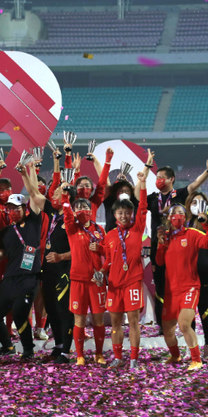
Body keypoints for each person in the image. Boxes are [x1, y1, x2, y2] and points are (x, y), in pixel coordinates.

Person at [139, 153, 208, 332]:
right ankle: (163, 324)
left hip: (178, 246)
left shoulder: (179, 194)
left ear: (171, 179)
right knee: (160, 287)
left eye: (161, 177)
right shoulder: (153, 198)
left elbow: (195, 184)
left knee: (178, 284)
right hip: (159, 246)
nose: (158, 180)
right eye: (157, 177)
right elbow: (137, 198)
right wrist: (145, 171)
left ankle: (184, 322)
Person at [0, 162, 46, 360]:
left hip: (29, 278)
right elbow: (0, 254)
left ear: (25, 208)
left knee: (19, 314)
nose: (13, 211)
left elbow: (34, 195)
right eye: (10, 208)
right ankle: (7, 346)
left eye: (17, 208)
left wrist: (28, 173)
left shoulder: (33, 222)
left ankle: (28, 351)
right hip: (9, 279)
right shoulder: (6, 232)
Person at [156, 204, 208, 371]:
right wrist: (161, 244)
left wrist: (206, 225)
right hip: (171, 292)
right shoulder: (166, 237)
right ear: (169, 217)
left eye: (181, 213)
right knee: (167, 331)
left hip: (190, 288)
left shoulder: (192, 234)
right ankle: (175, 356)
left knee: (184, 324)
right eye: (174, 213)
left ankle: (196, 360)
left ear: (186, 217)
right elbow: (160, 262)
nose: (177, 216)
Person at [101, 171, 148, 369]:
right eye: (120, 213)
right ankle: (118, 357)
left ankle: (134, 359)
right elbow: (108, 261)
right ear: (114, 215)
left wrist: (142, 184)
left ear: (131, 213)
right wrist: (101, 272)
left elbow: (143, 207)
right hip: (114, 284)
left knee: (134, 321)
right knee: (115, 323)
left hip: (132, 282)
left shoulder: (137, 228)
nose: (124, 215)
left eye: (127, 212)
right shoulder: (109, 235)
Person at [61, 187, 107, 366]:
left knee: (98, 319)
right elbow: (67, 213)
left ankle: (99, 354)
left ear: (91, 210)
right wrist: (65, 197)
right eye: (78, 207)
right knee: (79, 320)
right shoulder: (72, 228)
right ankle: (80, 355)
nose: (82, 210)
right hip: (78, 280)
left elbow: (108, 253)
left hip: (97, 281)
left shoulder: (99, 230)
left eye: (85, 207)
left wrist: (100, 248)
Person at [40, 155, 75, 364]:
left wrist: (61, 256)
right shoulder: (52, 215)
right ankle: (59, 346)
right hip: (49, 270)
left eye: (58, 193)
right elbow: (35, 193)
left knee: (64, 310)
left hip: (66, 270)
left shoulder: (73, 219)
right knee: (51, 309)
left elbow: (80, 249)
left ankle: (67, 351)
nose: (53, 195)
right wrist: (28, 171)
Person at [184, 178, 208, 358]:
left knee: (204, 308)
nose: (197, 206)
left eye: (201, 203)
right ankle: (192, 348)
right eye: (194, 202)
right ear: (188, 204)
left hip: (204, 272)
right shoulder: (183, 223)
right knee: (188, 311)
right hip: (187, 275)